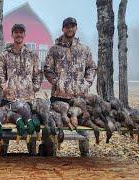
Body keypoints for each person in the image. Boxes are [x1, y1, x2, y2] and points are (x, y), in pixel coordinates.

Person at [44, 17, 97, 156]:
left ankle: (85, 155)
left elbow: (92, 68)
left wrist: (86, 84)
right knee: (54, 127)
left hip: (78, 97)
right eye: (67, 26)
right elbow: (47, 69)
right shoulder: (54, 49)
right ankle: (50, 156)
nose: (70, 29)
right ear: (63, 29)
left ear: (76, 28)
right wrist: (57, 82)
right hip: (58, 97)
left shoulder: (84, 49)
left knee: (83, 128)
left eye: (72, 26)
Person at [0, 23, 42, 107]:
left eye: (21, 32)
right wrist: (5, 87)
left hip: (28, 99)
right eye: (16, 32)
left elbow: (38, 73)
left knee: (27, 119)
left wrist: (35, 87)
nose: (19, 34)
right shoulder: (5, 54)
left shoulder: (32, 55)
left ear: (25, 34)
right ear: (12, 35)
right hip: (9, 98)